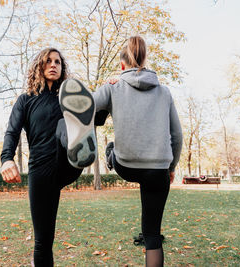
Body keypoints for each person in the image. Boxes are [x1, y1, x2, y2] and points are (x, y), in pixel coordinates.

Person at [0, 47, 98, 266]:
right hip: (41, 170)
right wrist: (7, 158)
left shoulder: (71, 99)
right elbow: (12, 132)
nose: (53, 65)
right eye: (48, 61)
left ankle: (80, 143)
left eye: (58, 62)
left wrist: (113, 84)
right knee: (43, 241)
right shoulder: (26, 100)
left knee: (66, 122)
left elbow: (98, 110)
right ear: (39, 66)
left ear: (62, 68)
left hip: (67, 163)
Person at [92, 36, 183, 266]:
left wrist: (108, 86)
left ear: (122, 65)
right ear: (145, 60)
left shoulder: (113, 87)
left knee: (111, 147)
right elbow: (177, 136)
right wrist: (171, 168)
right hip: (158, 168)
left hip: (126, 165)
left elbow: (85, 105)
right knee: (152, 234)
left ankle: (110, 154)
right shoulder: (164, 92)